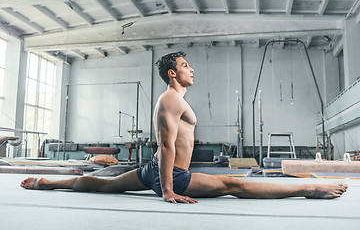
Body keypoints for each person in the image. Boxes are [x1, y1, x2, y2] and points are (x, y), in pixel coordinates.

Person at [21, 51, 348, 203]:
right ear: (172, 74)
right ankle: (308, 189)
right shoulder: (170, 100)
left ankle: (46, 183)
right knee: (235, 185)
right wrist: (167, 190)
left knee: (102, 185)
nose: (192, 69)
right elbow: (165, 146)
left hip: (151, 170)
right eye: (185, 65)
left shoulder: (174, 100)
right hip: (171, 174)